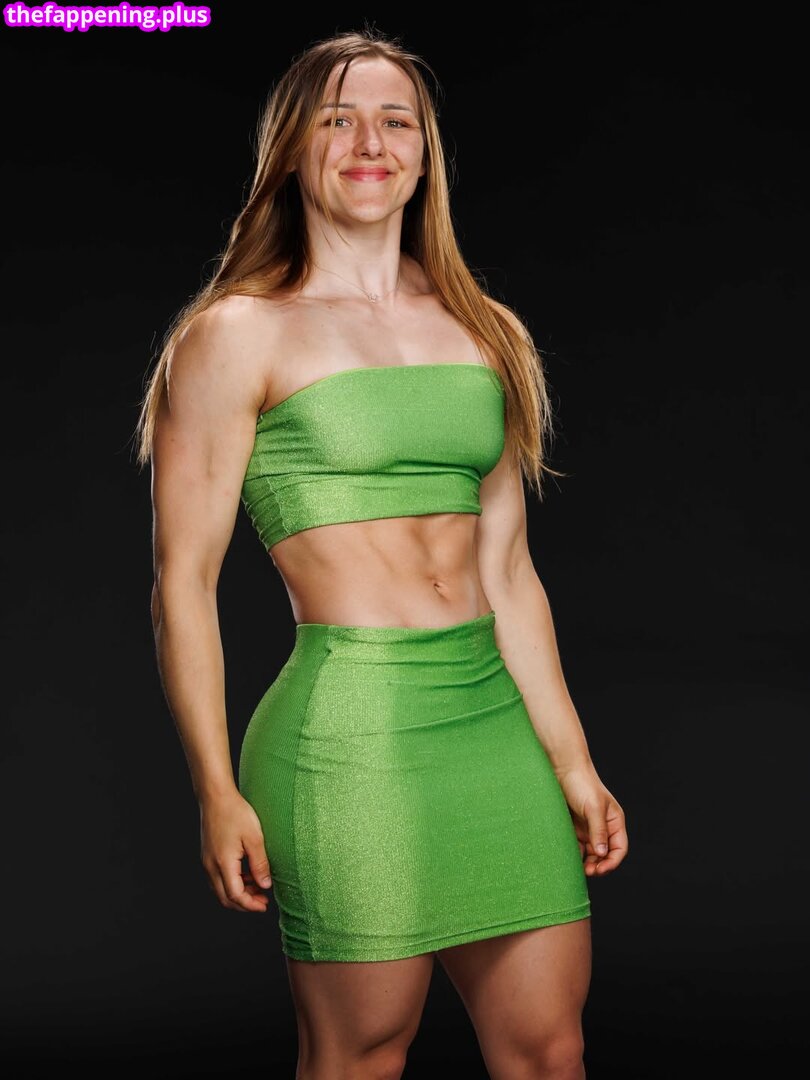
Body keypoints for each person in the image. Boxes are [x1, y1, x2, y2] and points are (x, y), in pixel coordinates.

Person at [135, 27, 628, 1080]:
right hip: (350, 733)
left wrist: (573, 762)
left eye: (395, 120)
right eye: (338, 119)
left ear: (425, 151)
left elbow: (509, 574)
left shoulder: (485, 329)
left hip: (491, 724)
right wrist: (214, 788)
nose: (370, 143)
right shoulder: (235, 334)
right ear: (292, 151)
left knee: (549, 1051)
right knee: (361, 1054)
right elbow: (184, 584)